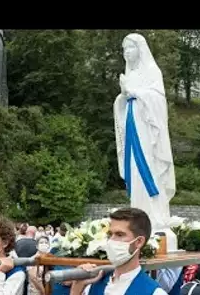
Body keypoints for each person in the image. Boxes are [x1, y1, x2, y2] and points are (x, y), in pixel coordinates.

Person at [113, 34, 176, 236]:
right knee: (133, 169)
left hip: (147, 131)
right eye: (124, 50)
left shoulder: (151, 71)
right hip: (132, 125)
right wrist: (123, 96)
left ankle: (154, 214)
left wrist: (134, 92)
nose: (126, 53)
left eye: (130, 48)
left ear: (140, 49)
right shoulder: (129, 74)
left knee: (148, 165)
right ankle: (137, 212)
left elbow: (158, 100)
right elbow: (123, 102)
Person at [69, 207, 167, 295]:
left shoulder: (154, 292)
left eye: (120, 235)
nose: (111, 240)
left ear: (139, 242)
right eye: (110, 234)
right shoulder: (93, 284)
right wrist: (76, 288)